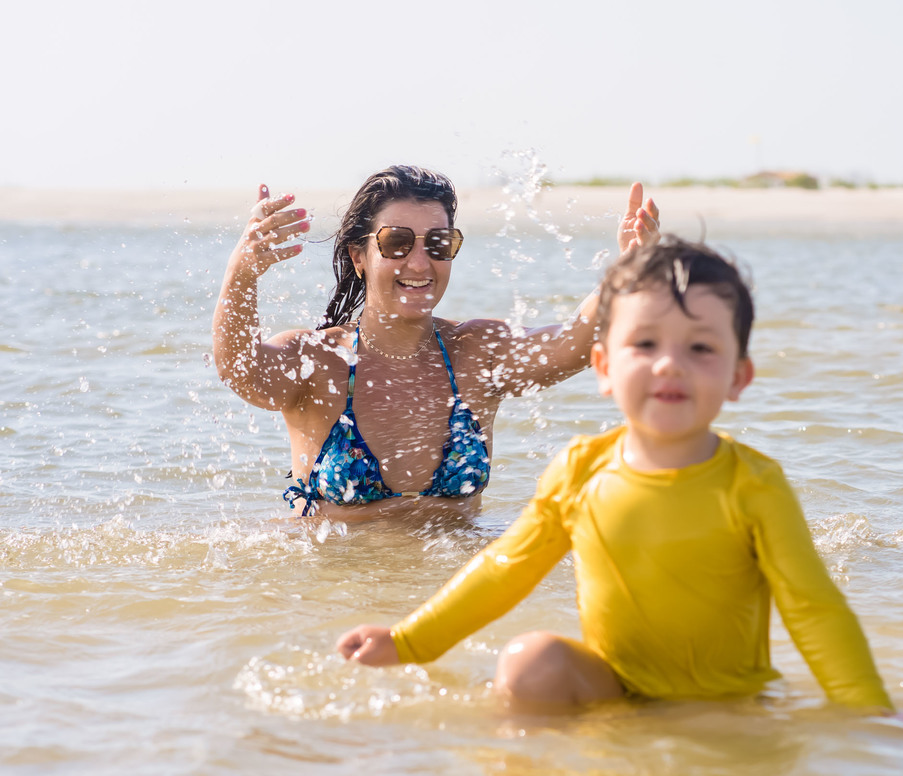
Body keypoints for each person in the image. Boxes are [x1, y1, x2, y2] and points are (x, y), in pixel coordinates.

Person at [335, 236, 894, 714]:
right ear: (603, 367)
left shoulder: (753, 486)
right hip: (614, 690)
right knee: (531, 661)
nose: (669, 364)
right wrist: (410, 641)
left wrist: (872, 716)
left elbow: (814, 609)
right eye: (645, 344)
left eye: (700, 348)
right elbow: (504, 569)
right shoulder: (581, 470)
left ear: (738, 377)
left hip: (721, 703)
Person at [212, 166, 659, 522]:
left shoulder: (477, 353)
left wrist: (630, 269)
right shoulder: (318, 361)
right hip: (336, 599)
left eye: (439, 243)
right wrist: (243, 273)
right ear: (358, 256)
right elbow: (241, 369)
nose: (420, 262)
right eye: (397, 243)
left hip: (452, 599)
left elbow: (576, 342)